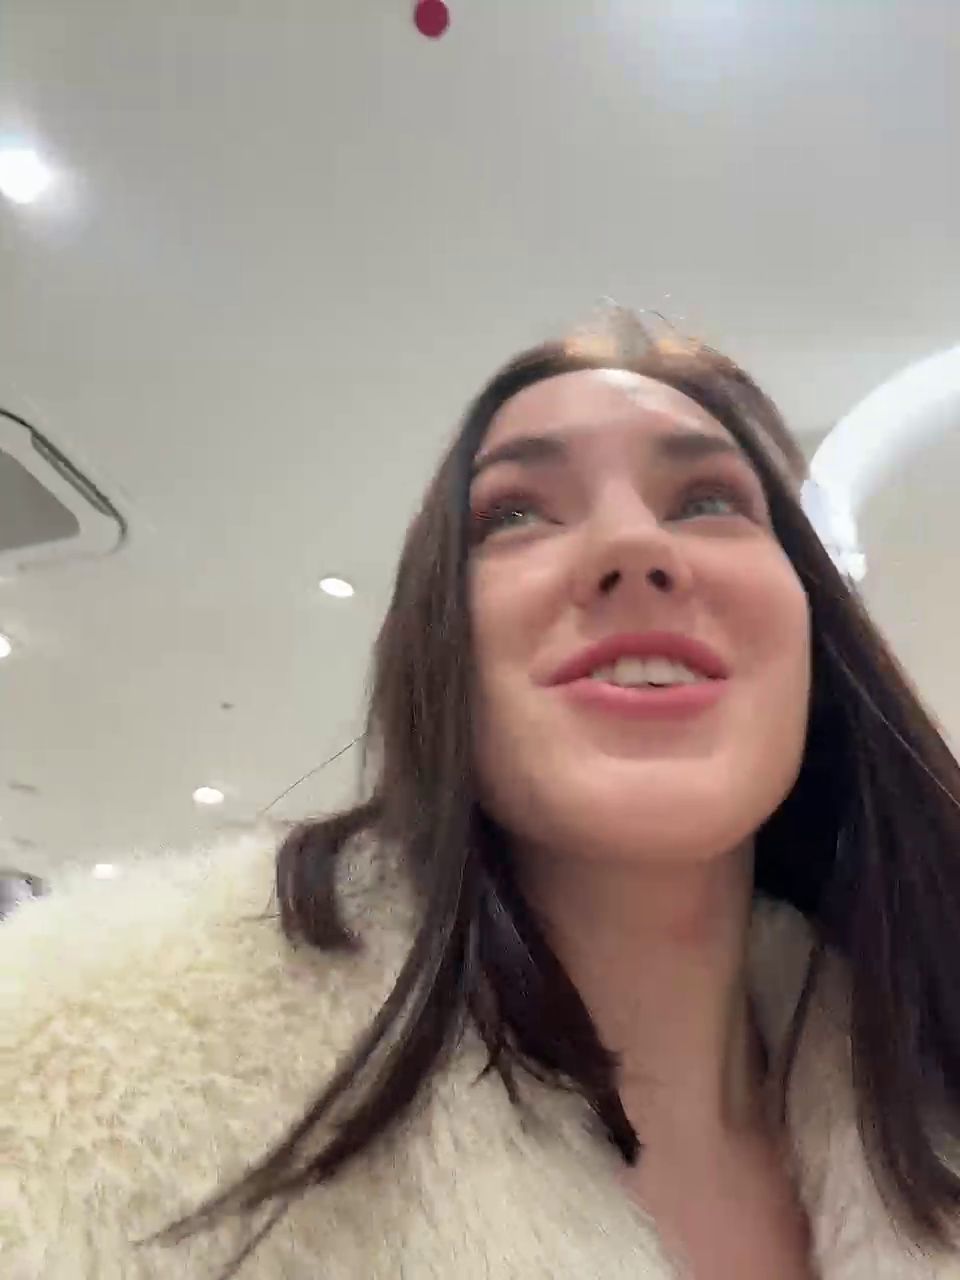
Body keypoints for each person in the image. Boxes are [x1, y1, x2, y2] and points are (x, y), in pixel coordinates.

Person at [5, 313, 960, 1280]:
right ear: (438, 657)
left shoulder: (931, 1083)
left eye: (709, 501)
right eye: (514, 515)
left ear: (813, 640)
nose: (633, 544)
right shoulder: (67, 1099)